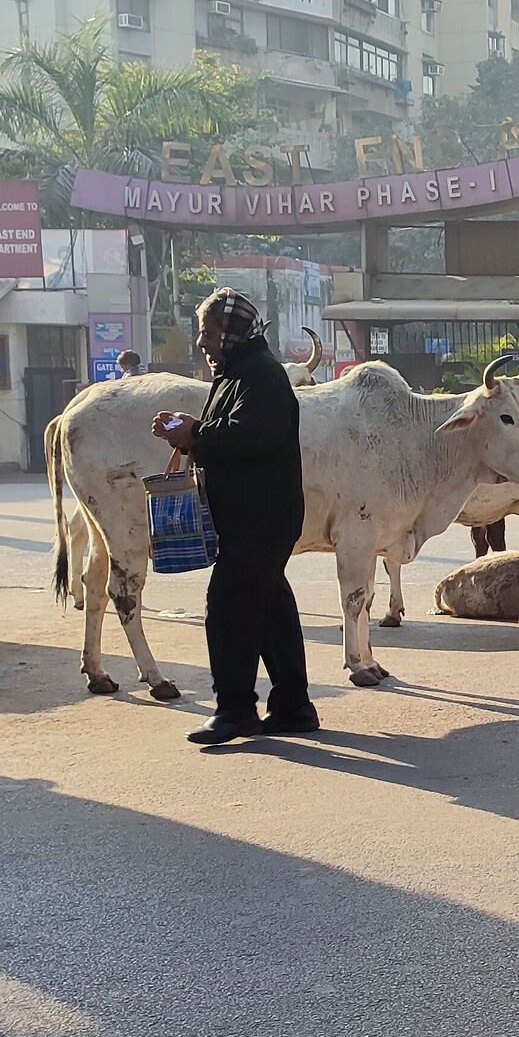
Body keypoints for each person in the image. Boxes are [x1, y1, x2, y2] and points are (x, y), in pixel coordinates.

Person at [152, 288, 314, 745]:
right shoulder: (237, 373)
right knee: (269, 608)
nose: (202, 342)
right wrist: (189, 430)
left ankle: (235, 710)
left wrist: (195, 433)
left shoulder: (261, 375)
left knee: (229, 607)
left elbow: (250, 438)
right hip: (251, 516)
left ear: (231, 332)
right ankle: (293, 707)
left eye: (207, 331)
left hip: (260, 517)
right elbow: (230, 432)